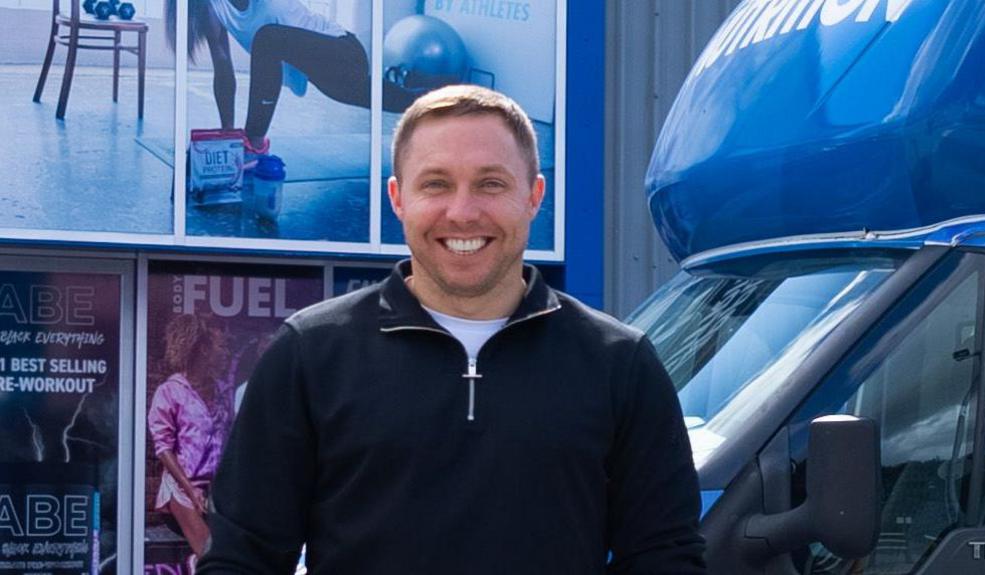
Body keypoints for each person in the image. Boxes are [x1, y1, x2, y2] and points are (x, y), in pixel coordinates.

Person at [198, 85, 705, 573]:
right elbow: (242, 559)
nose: (462, 213)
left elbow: (664, 557)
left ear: (534, 196)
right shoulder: (310, 355)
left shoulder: (618, 363)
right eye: (436, 184)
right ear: (398, 198)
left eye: (491, 183)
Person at [166, 0, 417, 155]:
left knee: (266, 38)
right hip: (319, 71)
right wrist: (227, 134)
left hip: (344, 51)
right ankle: (436, 100)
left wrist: (245, 139)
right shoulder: (214, 6)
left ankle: (255, 142)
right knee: (380, 98)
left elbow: (271, 43)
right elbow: (223, 68)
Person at [148, 314, 233, 570]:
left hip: (216, 490)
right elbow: (163, 448)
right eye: (221, 347)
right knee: (211, 553)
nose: (226, 353)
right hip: (182, 488)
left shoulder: (221, 390)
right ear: (204, 349)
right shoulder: (170, 391)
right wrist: (189, 489)